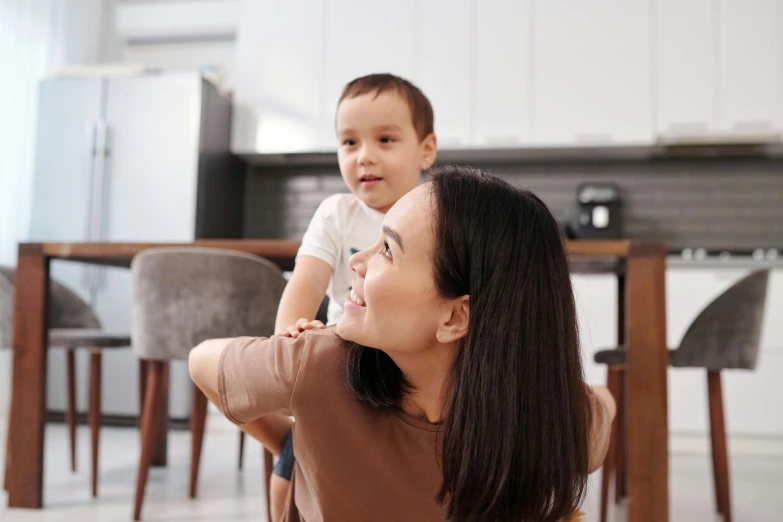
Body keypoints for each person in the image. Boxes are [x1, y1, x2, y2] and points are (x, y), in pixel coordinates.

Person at [189, 165, 616, 522]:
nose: (356, 261)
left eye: (387, 250)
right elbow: (604, 406)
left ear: (455, 316)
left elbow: (201, 362)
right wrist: (294, 443)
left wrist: (292, 438)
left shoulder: (315, 365)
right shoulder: (553, 417)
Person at [269, 73, 437, 519]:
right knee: (283, 484)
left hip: (415, 368)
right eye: (349, 143)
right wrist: (290, 335)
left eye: (385, 139)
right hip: (347, 359)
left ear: (426, 149)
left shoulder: (439, 217)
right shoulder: (336, 213)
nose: (365, 156)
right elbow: (303, 286)